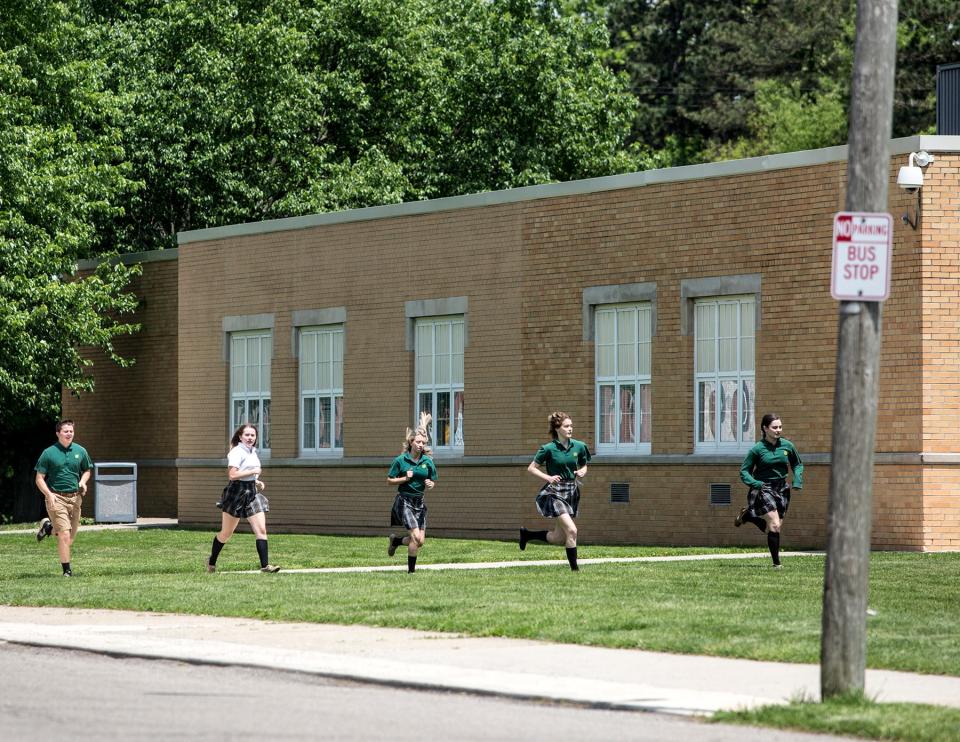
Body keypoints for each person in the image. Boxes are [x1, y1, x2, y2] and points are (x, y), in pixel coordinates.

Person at [520, 411, 590, 571]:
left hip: (571, 492)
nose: (570, 428)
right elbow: (531, 468)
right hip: (555, 494)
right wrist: (548, 477)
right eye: (566, 426)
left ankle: (527, 535)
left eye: (571, 425)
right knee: (572, 530)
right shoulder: (548, 449)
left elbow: (584, 464)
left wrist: (583, 471)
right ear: (557, 428)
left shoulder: (579, 446)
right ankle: (575, 571)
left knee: (558, 538)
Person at [206, 423, 280, 573]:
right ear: (240, 436)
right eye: (247, 435)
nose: (250, 438)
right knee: (226, 533)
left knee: (261, 530)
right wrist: (253, 471)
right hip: (236, 493)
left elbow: (249, 472)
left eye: (253, 435)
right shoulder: (236, 452)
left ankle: (265, 566)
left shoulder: (253, 452)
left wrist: (256, 480)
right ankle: (211, 561)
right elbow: (232, 475)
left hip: (252, 493)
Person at [736, 412, 804, 568]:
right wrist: (755, 483)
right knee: (774, 524)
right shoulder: (757, 449)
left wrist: (797, 479)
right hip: (763, 487)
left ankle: (749, 517)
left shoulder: (787, 446)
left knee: (773, 528)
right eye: (774, 427)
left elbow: (797, 464)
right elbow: (744, 471)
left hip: (782, 488)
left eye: (780, 427)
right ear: (765, 428)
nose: (778, 430)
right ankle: (777, 564)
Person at [34, 419, 93, 577]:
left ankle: (48, 528)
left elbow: (87, 470)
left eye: (71, 431)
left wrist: (83, 481)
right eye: (66, 431)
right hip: (56, 497)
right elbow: (39, 478)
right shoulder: (49, 453)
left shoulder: (80, 451)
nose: (69, 434)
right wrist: (49, 494)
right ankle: (67, 571)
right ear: (58, 433)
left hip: (75, 498)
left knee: (70, 539)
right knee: (65, 535)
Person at [386, 412, 437, 573]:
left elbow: (432, 480)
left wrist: (430, 484)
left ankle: (396, 541)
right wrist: (404, 479)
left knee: (420, 540)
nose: (421, 445)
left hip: (419, 502)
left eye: (423, 442)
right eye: (418, 442)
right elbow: (389, 480)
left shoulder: (427, 462)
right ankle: (411, 572)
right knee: (415, 536)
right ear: (411, 442)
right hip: (404, 501)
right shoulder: (400, 460)